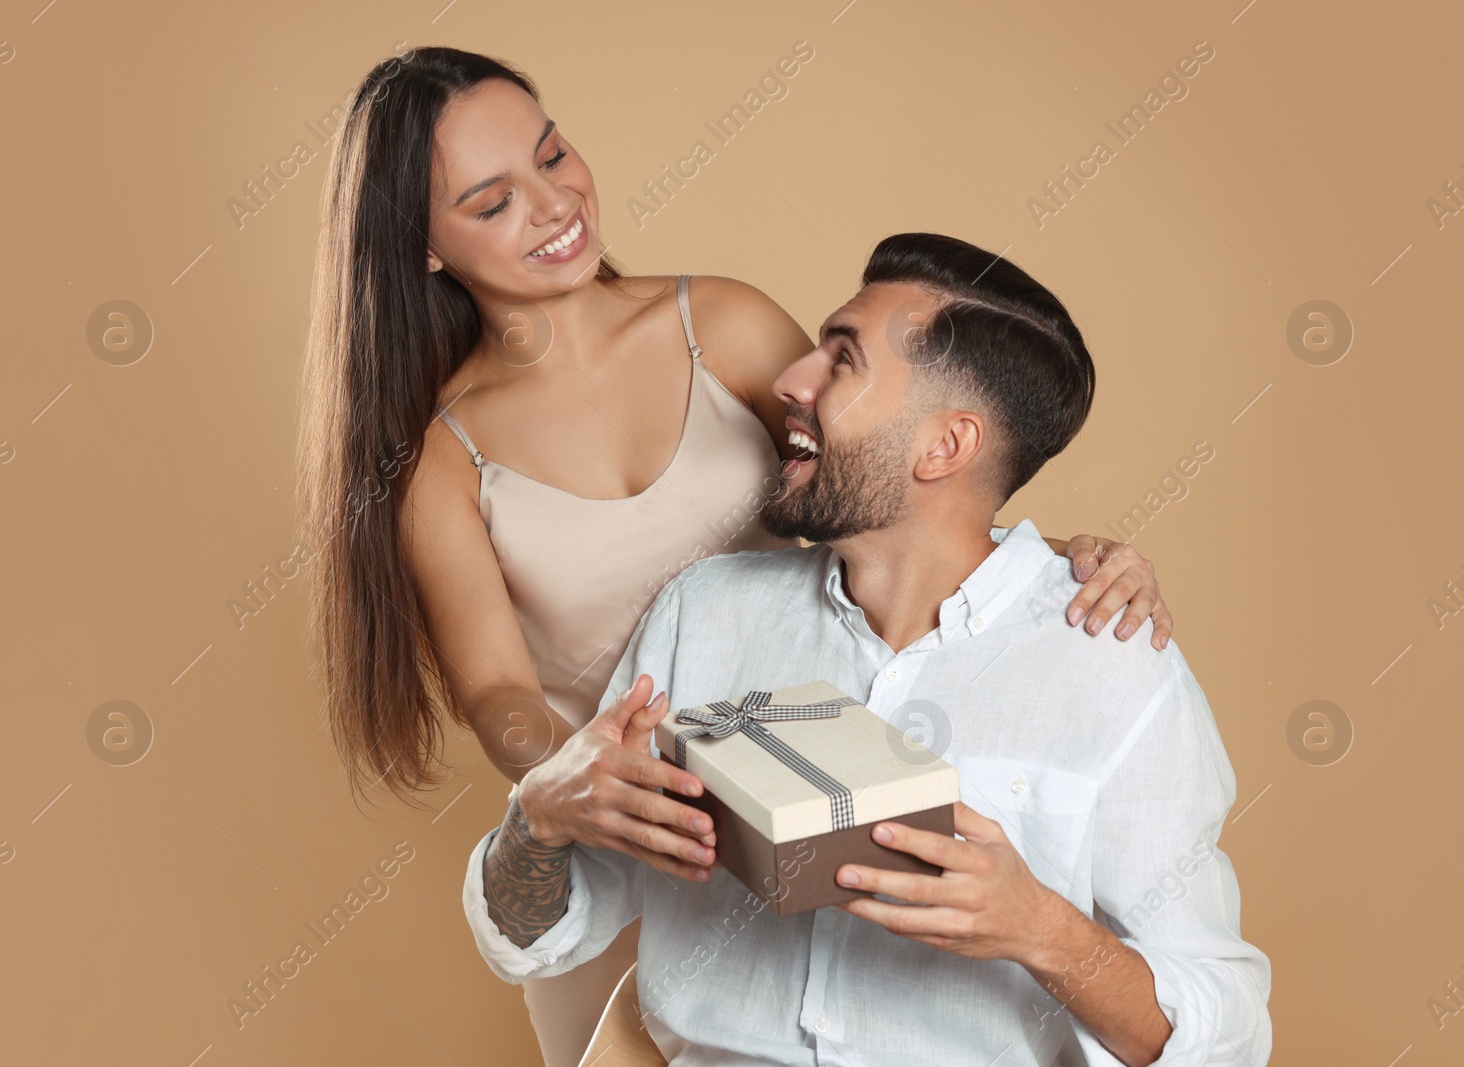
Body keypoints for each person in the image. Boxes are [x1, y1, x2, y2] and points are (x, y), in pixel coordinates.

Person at [298, 47, 1180, 1067]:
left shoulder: (717, 322)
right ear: (423, 249)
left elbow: (891, 476)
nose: (552, 206)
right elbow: (493, 686)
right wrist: (585, 774)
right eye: (494, 202)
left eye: (553, 155)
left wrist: (1065, 558)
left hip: (826, 791)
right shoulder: (447, 461)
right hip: (624, 844)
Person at [465, 233, 1272, 1066]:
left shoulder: (1111, 663)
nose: (790, 381)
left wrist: (1046, 933)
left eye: (841, 361)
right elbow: (539, 936)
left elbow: (1229, 1036)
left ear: (944, 447)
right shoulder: (704, 615)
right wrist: (540, 815)